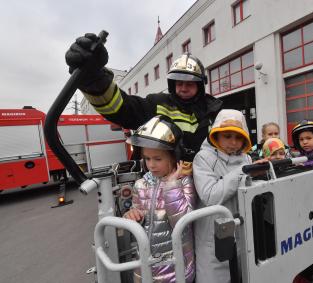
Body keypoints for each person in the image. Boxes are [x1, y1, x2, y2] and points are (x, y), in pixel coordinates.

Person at [65, 33, 222, 168]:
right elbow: (120, 109)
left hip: (207, 185)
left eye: (189, 83)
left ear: (200, 85)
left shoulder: (215, 111)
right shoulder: (157, 104)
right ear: (172, 84)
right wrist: (94, 81)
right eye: (179, 83)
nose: (183, 88)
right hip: (164, 186)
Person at [123, 116, 196, 282]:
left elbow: (183, 223)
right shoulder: (141, 184)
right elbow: (138, 215)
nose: (151, 165)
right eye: (147, 159)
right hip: (145, 265)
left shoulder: (184, 182)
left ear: (173, 157)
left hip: (175, 267)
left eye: (158, 159)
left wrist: (171, 186)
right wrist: (132, 215)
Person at [192, 109, 253, 283]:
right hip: (212, 235)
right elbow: (210, 196)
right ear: (216, 136)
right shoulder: (203, 158)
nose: (233, 143)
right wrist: (243, 172)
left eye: (238, 137)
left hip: (241, 231)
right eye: (227, 136)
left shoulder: (247, 159)